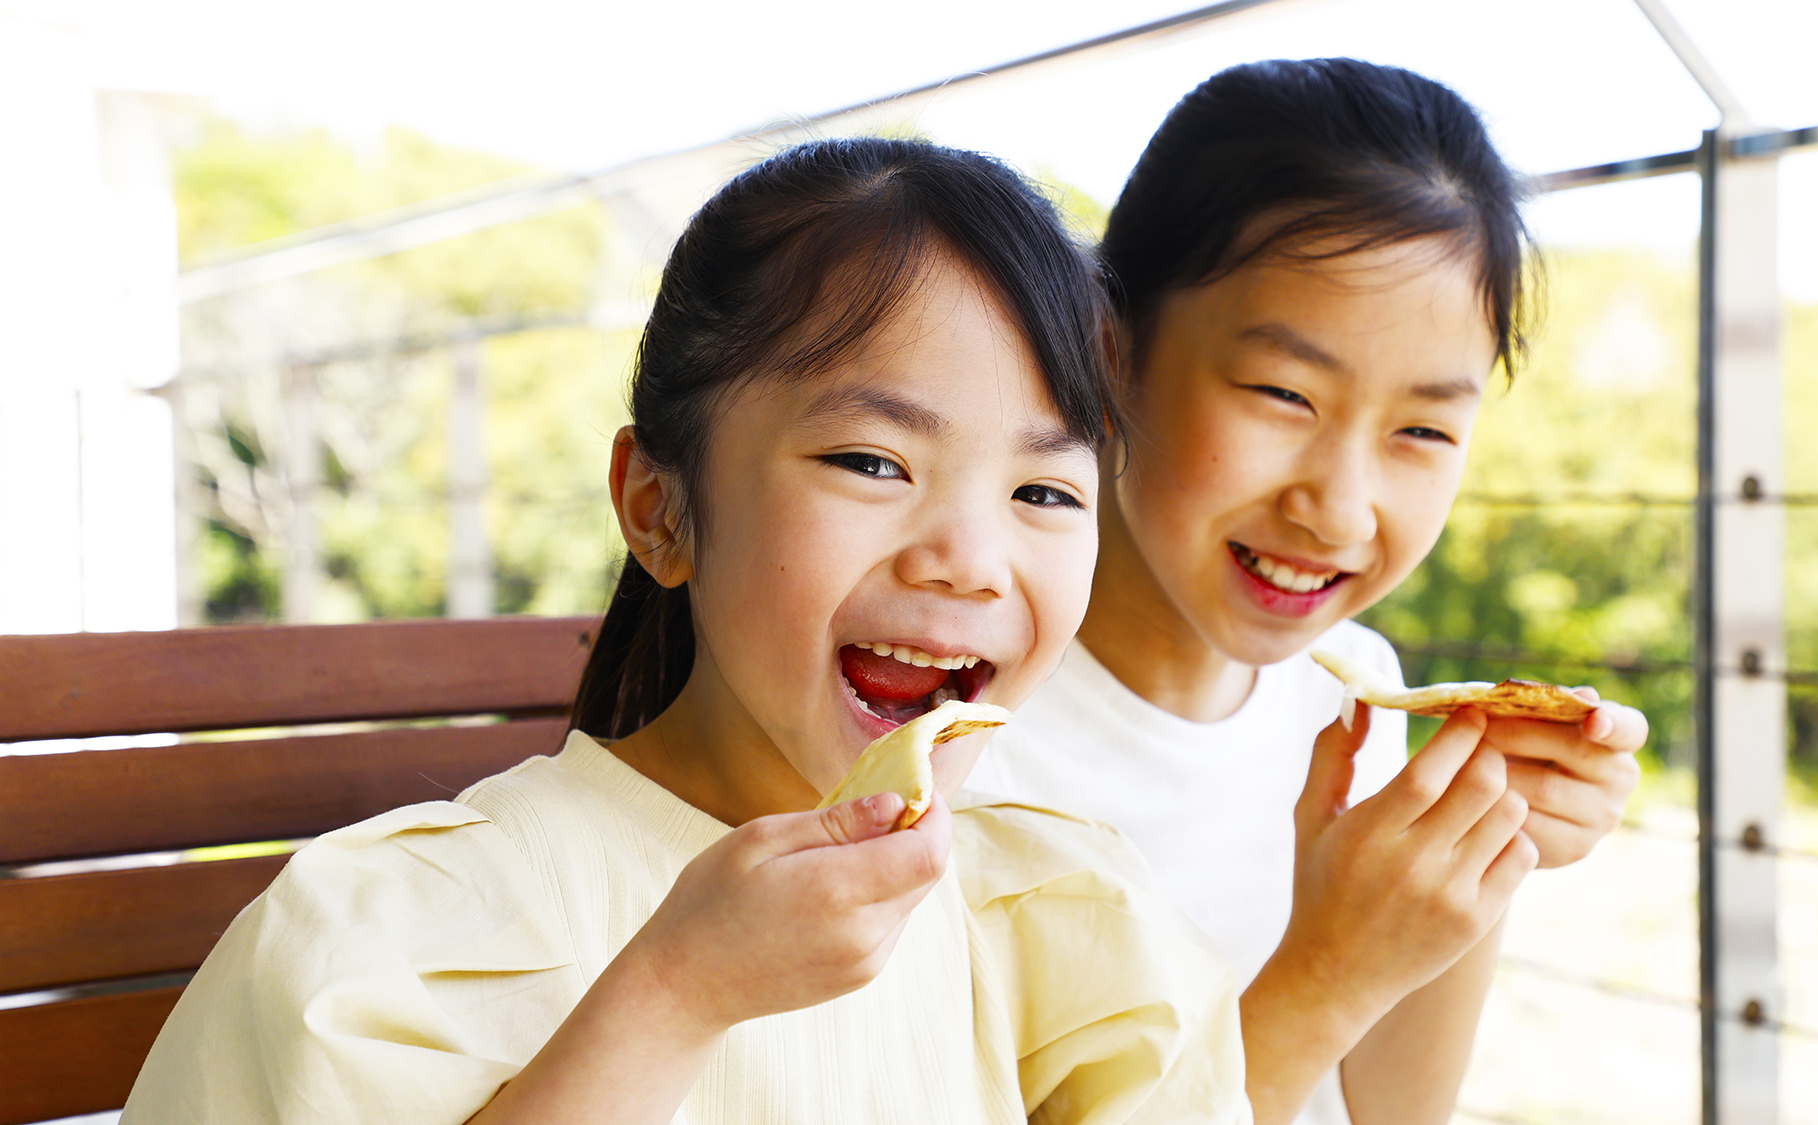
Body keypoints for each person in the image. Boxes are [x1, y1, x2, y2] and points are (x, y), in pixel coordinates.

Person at [123, 137, 1252, 1125]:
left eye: (1045, 493)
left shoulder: (1060, 918)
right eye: (871, 461)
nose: (968, 558)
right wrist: (673, 996)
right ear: (659, 510)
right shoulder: (389, 946)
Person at [966, 58, 1648, 1125]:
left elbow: (1390, 1113)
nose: (1337, 509)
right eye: (1282, 394)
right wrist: (1328, 974)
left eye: (1421, 430)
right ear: (1112, 351)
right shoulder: (949, 737)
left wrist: (1479, 843)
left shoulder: (1355, 695)